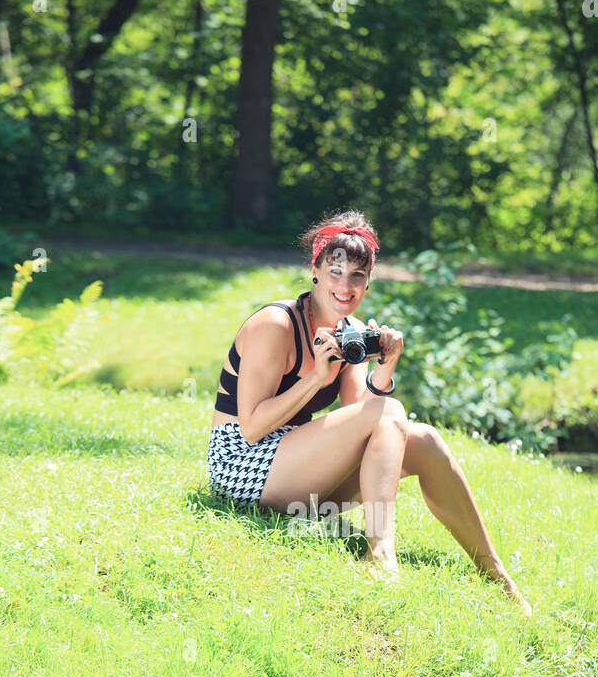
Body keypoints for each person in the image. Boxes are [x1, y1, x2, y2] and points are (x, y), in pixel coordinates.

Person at [207, 209, 531, 615]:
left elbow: (364, 417)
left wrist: (385, 366)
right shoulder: (276, 324)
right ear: (316, 270)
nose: (345, 285)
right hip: (241, 468)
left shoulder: (350, 331)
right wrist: (314, 378)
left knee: (424, 438)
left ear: (368, 282)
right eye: (335, 271)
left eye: (357, 276)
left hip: (294, 468)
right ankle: (380, 553)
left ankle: (495, 571)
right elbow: (252, 428)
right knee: (391, 413)